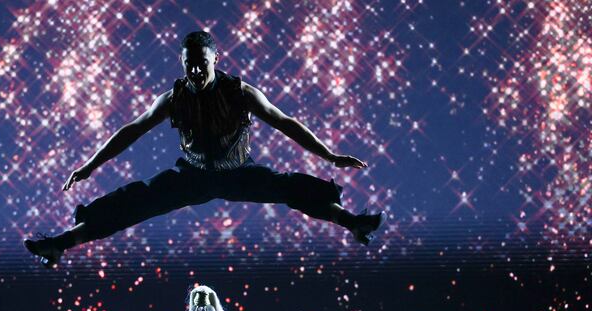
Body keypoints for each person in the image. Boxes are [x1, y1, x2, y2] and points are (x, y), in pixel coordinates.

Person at [25, 30, 385, 267]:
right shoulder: (173, 98)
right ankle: (60, 243)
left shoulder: (240, 93)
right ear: (183, 65)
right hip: (192, 176)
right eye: (189, 65)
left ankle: (352, 222)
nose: (196, 71)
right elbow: (130, 131)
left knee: (291, 187)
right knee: (133, 202)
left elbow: (284, 122)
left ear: (215, 60)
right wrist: (90, 166)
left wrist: (329, 155)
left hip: (239, 174)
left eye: (201, 64)